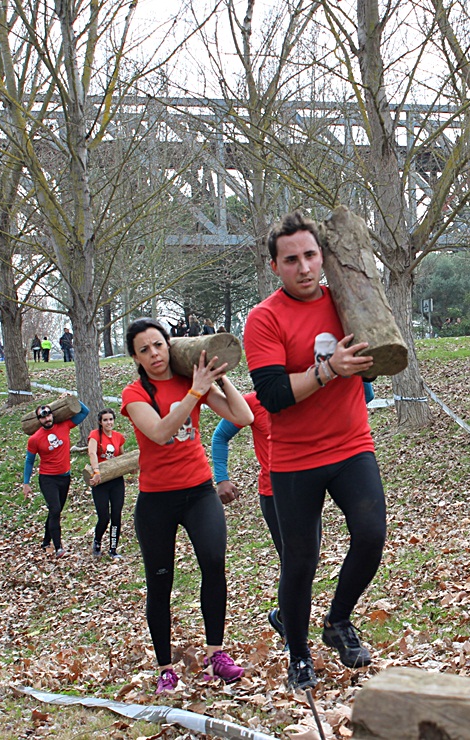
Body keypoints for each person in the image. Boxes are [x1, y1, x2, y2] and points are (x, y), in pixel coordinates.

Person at [243, 211, 387, 691]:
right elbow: (274, 396)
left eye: (310, 255)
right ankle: (299, 653)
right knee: (300, 561)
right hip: (295, 459)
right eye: (292, 260)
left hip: (351, 444)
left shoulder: (343, 301)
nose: (304, 268)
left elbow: (369, 366)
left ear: (322, 256)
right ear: (274, 267)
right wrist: (330, 369)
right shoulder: (263, 320)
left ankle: (338, 621)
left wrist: (364, 363)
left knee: (371, 535)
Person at [121, 317, 253, 693]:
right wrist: (195, 393)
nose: (154, 354)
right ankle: (165, 668)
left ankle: (216, 655)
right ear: (136, 357)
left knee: (214, 563)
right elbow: (161, 433)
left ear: (169, 345)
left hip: (198, 492)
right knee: (160, 583)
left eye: (159, 345)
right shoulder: (134, 394)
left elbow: (243, 416)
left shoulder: (187, 381)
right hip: (156, 501)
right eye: (144, 350)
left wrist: (217, 376)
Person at [210, 392, 286, 638]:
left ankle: (284, 617)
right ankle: (294, 636)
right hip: (274, 493)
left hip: (309, 490)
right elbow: (220, 436)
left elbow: (364, 397)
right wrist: (221, 478)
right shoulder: (253, 402)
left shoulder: (309, 390)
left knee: (306, 561)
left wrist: (364, 375)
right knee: (293, 561)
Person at [22, 398, 90, 556]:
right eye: (42, 416)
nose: (46, 419)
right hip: (48, 478)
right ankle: (58, 547)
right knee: (55, 509)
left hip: (65, 477)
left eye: (48, 415)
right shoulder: (35, 439)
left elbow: (85, 411)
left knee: (55, 512)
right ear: (39, 420)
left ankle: (46, 541)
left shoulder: (64, 426)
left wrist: (70, 398)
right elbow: (29, 461)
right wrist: (26, 482)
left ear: (53, 415)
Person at [87, 408, 127, 558]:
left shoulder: (119, 437)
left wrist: (131, 468)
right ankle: (97, 542)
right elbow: (92, 453)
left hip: (116, 481)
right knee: (104, 517)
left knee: (116, 514)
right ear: (100, 422)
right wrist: (96, 472)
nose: (109, 422)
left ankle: (113, 549)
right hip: (100, 481)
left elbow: (122, 456)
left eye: (111, 419)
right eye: (105, 420)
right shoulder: (95, 435)